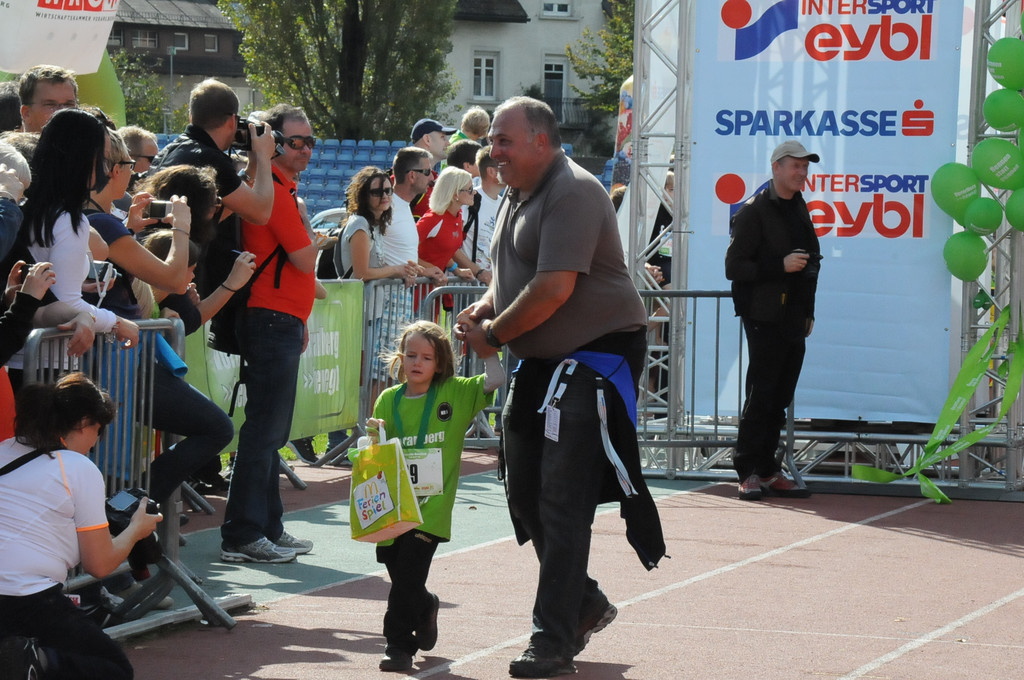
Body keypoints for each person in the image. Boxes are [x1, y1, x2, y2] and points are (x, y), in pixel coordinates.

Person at [455, 96, 666, 678]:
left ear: (541, 141)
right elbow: (512, 276)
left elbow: (552, 290)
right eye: (491, 140)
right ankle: (585, 604)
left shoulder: (572, 190)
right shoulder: (515, 193)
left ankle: (551, 639)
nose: (491, 150)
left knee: (561, 498)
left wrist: (493, 335)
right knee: (522, 490)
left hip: (593, 357)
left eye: (504, 140)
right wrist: (485, 308)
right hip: (542, 360)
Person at [0, 372, 162, 680]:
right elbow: (99, 565)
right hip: (25, 598)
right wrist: (136, 529)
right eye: (98, 431)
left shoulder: (3, 449)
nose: (96, 442)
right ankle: (37, 661)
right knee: (113, 669)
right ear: (84, 423)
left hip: (19, 595)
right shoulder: (77, 467)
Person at [367, 320, 503, 673]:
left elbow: (495, 381)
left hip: (432, 508)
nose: (417, 362)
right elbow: (379, 453)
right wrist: (375, 437)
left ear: (440, 363)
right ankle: (426, 605)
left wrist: (487, 349)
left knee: (408, 574)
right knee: (398, 572)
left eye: (427, 357)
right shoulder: (388, 399)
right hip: (394, 508)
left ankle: (398, 645)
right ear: (400, 358)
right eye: (411, 355)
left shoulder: (453, 392)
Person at [219, 103, 317, 564]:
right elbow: (304, 259)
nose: (306, 150)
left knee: (270, 432)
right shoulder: (276, 191)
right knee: (263, 432)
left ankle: (267, 527)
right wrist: (316, 236)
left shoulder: (280, 187)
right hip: (270, 318)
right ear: (273, 143)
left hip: (279, 318)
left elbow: (301, 266)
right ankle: (243, 532)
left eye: (311, 141)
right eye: (296, 141)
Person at [724, 140, 820, 502]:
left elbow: (811, 262)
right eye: (795, 166)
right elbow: (734, 268)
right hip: (763, 314)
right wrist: (778, 266)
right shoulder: (753, 210)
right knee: (762, 393)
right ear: (776, 167)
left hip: (794, 315)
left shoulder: (799, 206)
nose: (801, 172)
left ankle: (767, 468)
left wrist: (809, 310)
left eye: (805, 167)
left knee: (781, 396)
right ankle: (747, 470)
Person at [386, 147, 444, 283]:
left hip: (402, 299)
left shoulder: (402, 206)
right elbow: (374, 259)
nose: (432, 177)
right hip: (382, 300)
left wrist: (425, 270)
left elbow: (400, 255)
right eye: (427, 172)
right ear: (412, 176)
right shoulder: (385, 208)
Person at [415, 166, 479, 282]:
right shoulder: (433, 218)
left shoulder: (457, 215)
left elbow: (443, 250)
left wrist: (457, 270)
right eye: (469, 189)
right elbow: (404, 251)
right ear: (455, 194)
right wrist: (428, 270)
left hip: (437, 286)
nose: (474, 192)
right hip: (418, 289)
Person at [409, 118, 455, 220]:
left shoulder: (434, 178)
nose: (448, 143)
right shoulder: (407, 176)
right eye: (443, 137)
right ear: (427, 139)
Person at [18, 65, 78, 133]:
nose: (62, 111)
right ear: (26, 113)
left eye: (68, 104)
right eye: (50, 105)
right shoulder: (6, 144)